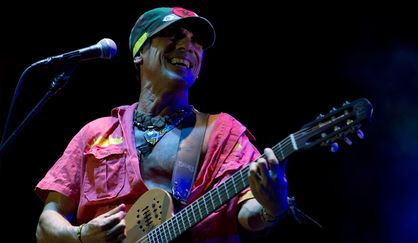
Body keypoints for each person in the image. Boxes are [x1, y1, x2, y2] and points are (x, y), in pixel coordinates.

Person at [34, 6, 295, 242]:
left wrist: (273, 208)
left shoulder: (223, 133)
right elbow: (46, 225)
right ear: (139, 53)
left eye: (197, 42)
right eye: (174, 35)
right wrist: (80, 235)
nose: (187, 46)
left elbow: (248, 213)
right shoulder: (96, 133)